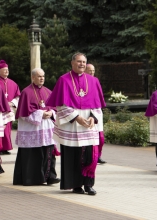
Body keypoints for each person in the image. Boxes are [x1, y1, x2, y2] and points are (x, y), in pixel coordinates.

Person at [46, 52, 106, 195]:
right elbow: (60, 105)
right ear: (72, 63)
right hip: (72, 124)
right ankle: (75, 185)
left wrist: (93, 117)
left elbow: (97, 105)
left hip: (88, 125)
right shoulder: (64, 80)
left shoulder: (93, 81)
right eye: (79, 61)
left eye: (84, 62)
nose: (82, 64)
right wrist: (76, 117)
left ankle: (88, 184)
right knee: (72, 155)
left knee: (89, 155)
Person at [13, 68, 60, 186]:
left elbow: (54, 108)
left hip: (47, 128)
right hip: (32, 130)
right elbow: (23, 114)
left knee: (48, 152)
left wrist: (51, 113)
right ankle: (32, 179)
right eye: (39, 76)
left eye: (43, 76)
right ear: (33, 77)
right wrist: (41, 114)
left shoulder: (48, 91)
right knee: (34, 155)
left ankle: (50, 176)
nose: (42, 78)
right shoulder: (26, 92)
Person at [0, 60, 20, 155]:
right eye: (4, 70)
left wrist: (12, 103)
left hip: (9, 110)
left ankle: (5, 148)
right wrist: (3, 103)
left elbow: (17, 96)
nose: (6, 72)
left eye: (7, 70)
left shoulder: (13, 83)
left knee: (7, 129)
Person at [85, 63, 106, 164]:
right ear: (85, 70)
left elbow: (99, 95)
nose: (92, 72)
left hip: (97, 111)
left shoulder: (95, 80)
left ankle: (98, 156)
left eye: (93, 71)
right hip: (87, 113)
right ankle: (92, 157)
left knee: (101, 138)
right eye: (90, 70)